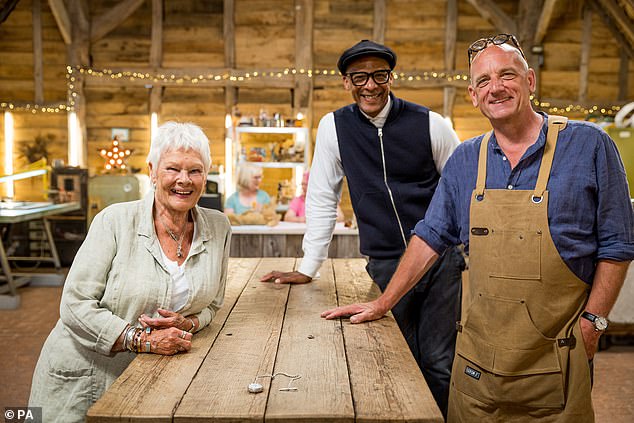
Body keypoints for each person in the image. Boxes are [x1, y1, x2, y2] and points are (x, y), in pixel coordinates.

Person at [321, 34, 634, 422]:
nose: (496, 88)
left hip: (558, 362)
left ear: (531, 81)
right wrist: (383, 302)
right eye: (483, 81)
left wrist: (594, 323)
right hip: (478, 369)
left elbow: (617, 245)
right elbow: (429, 237)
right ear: (472, 94)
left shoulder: (589, 145)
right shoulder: (466, 159)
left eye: (507, 75)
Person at [261, 39, 465, 417]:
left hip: (441, 262)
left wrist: (467, 252)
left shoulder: (431, 124)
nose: (369, 85)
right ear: (346, 82)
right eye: (359, 77)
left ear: (390, 78)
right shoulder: (334, 128)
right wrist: (309, 267)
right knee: (399, 357)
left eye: (378, 75)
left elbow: (462, 190)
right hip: (386, 262)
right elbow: (323, 197)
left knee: (439, 360)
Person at [28, 122, 232, 422]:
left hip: (152, 379)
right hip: (87, 373)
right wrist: (142, 340)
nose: (184, 181)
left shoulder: (219, 227)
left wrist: (187, 323)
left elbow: (213, 304)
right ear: (152, 170)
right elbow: (75, 304)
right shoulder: (114, 221)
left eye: (195, 171)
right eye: (173, 168)